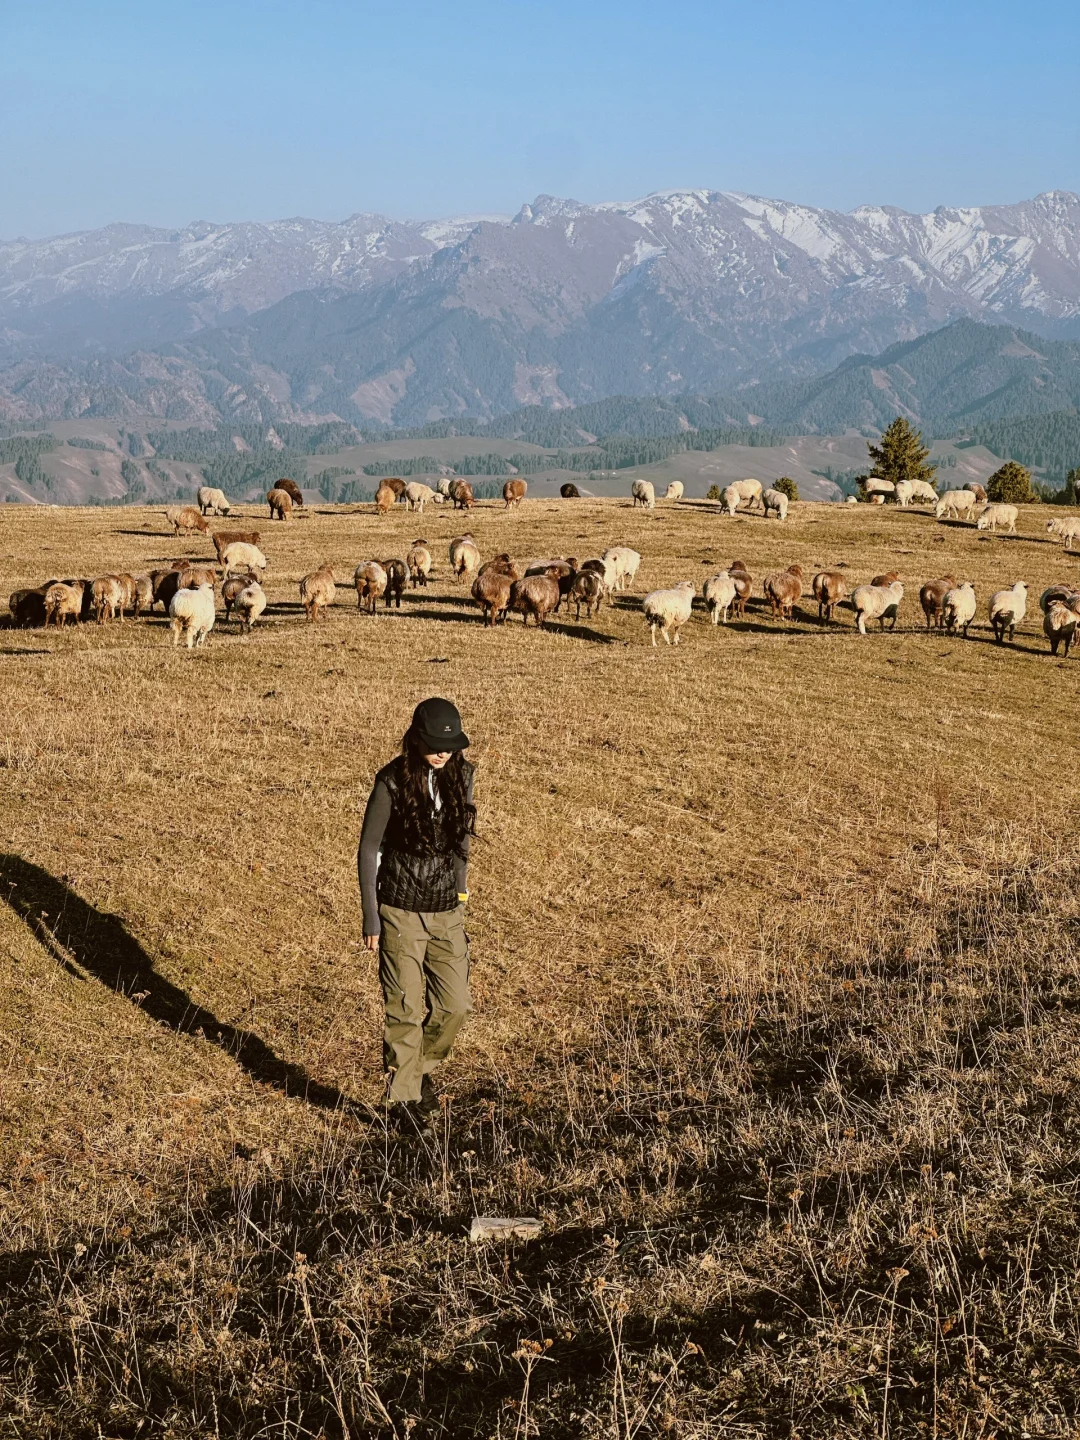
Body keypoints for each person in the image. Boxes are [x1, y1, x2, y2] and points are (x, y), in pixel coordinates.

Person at [358, 697, 475, 1136]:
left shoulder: (462, 775)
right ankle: (405, 1101)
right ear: (415, 739)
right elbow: (369, 849)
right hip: (400, 911)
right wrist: (371, 915)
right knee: (404, 1010)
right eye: (434, 744)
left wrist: (461, 891)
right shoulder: (389, 782)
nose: (444, 753)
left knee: (455, 1006)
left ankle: (414, 1071)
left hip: (447, 910)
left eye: (451, 746)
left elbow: (462, 838)